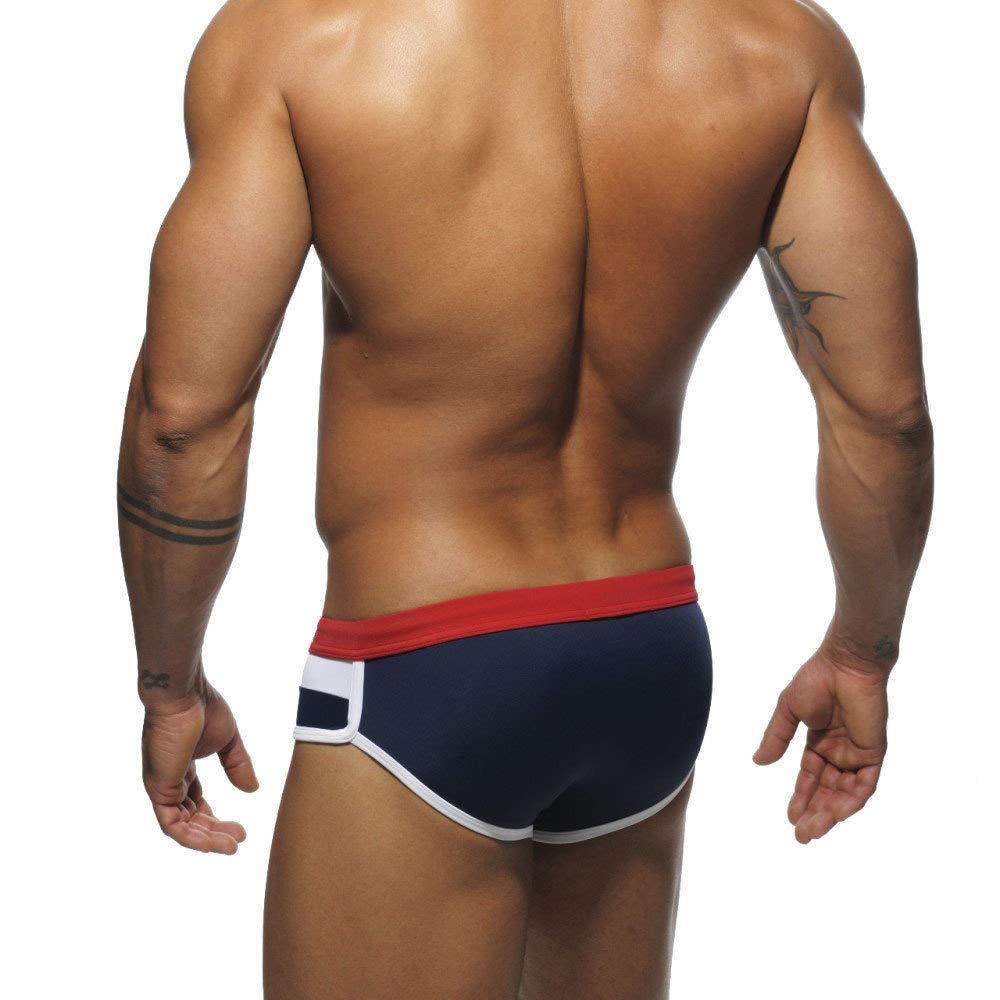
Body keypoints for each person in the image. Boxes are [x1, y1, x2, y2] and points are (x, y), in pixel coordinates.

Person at [117, 1, 933, 996]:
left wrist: (170, 685)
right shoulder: (776, 44)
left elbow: (185, 419)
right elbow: (885, 414)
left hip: (424, 655)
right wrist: (862, 652)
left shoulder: (302, 38)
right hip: (646, 647)